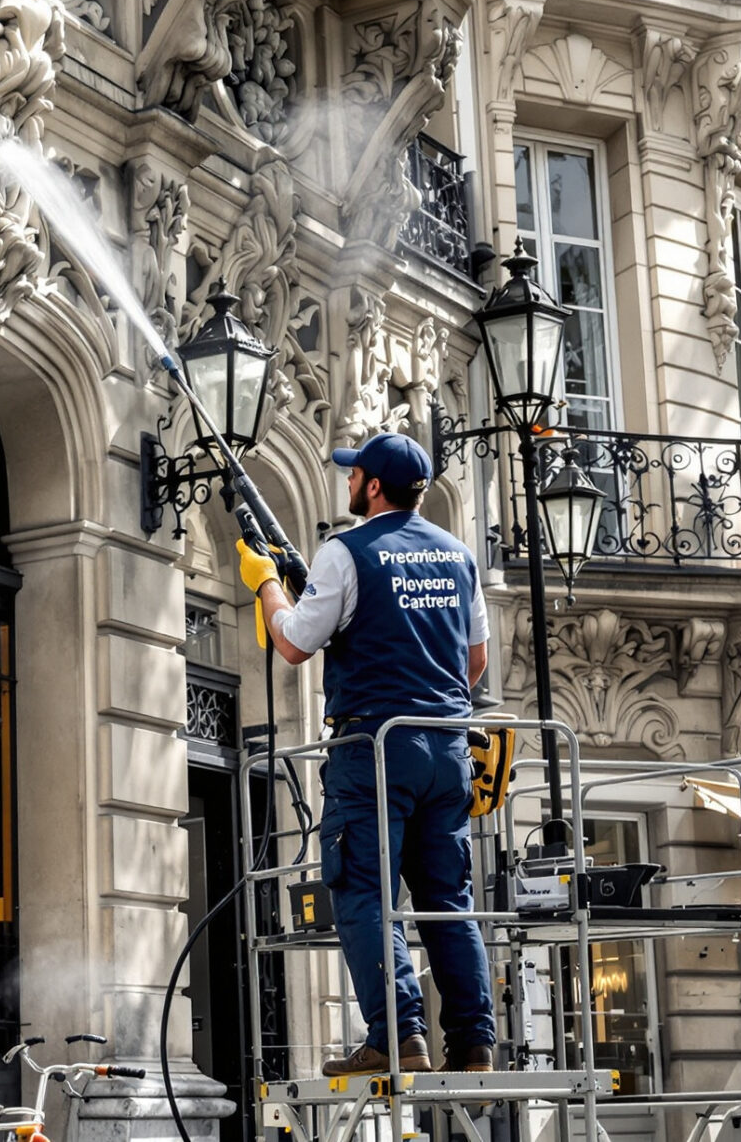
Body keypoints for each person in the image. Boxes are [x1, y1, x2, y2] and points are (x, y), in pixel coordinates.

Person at [236, 431, 496, 1077]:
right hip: (448, 747)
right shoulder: (458, 554)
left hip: (374, 748)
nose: (349, 481)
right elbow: (475, 661)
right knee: (447, 900)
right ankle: (473, 1044)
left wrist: (267, 583)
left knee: (363, 893)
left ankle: (398, 1036)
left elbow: (294, 642)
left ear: (374, 486)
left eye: (355, 475)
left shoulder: (346, 551)